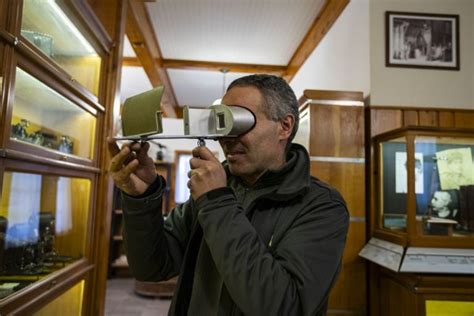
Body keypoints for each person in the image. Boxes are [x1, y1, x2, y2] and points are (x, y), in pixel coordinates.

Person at [108, 74, 349, 316]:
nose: (226, 137)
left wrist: (217, 204)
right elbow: (151, 267)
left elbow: (284, 307)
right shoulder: (216, 189)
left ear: (284, 126)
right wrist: (142, 198)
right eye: (222, 123)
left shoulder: (321, 206)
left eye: (240, 122)